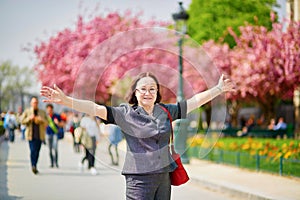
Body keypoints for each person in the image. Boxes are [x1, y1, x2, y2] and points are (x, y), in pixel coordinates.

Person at [40, 72, 234, 199]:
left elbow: (193, 102)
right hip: (139, 179)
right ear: (136, 92)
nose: (148, 93)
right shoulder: (125, 114)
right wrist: (66, 101)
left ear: (157, 92)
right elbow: (95, 108)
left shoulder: (166, 111)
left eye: (152, 89)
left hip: (164, 177)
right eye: (143, 89)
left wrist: (218, 89)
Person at [21, 96, 48, 174]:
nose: (35, 104)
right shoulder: (27, 111)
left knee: (37, 151)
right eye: (33, 102)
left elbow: (47, 122)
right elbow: (22, 121)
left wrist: (41, 119)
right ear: (31, 103)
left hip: (40, 135)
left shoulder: (42, 112)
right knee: (33, 150)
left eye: (36, 102)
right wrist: (29, 118)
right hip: (31, 135)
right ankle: (33, 165)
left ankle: (35, 164)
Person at [46, 103, 63, 168]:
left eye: (50, 110)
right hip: (48, 134)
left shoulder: (57, 116)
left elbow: (62, 124)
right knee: (49, 149)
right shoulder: (46, 116)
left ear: (52, 109)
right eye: (48, 110)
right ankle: (51, 162)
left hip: (55, 134)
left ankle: (56, 162)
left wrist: (57, 123)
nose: (49, 111)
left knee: (55, 148)